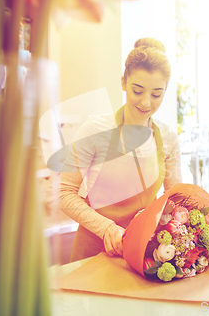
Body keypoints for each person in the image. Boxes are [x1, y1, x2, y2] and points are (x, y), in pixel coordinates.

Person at [60, 38, 182, 262]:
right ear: (124, 82)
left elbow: (174, 200)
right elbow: (65, 193)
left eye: (156, 94)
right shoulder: (96, 130)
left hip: (144, 255)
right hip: (93, 253)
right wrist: (106, 228)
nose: (146, 103)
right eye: (137, 90)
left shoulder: (168, 139)